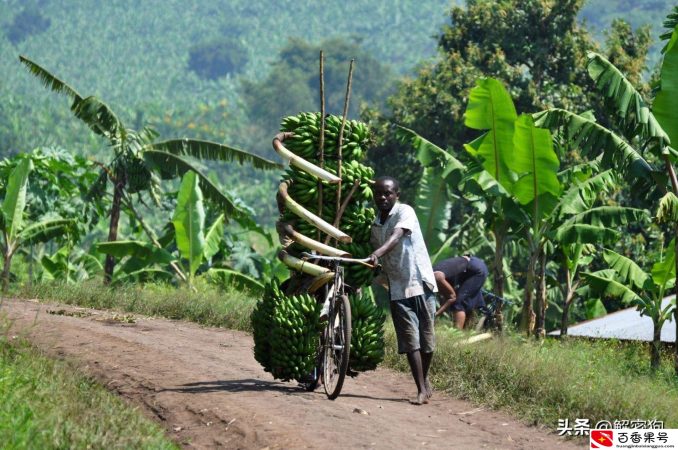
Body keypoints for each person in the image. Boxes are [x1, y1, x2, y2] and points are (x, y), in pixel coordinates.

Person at [368, 176, 437, 405]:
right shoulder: (375, 224)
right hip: (397, 288)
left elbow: (397, 236)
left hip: (420, 282)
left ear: (397, 194)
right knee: (410, 340)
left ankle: (424, 380)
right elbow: (378, 254)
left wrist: (378, 253)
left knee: (427, 341)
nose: (383, 197)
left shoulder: (405, 212)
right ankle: (420, 388)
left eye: (388, 193)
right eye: (379, 193)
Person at [433, 255, 488, 329]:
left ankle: (457, 333)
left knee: (458, 302)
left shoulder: (436, 277)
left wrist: (435, 314)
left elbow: (452, 297)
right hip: (471, 266)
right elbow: (446, 298)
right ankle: (471, 327)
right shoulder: (433, 273)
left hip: (474, 269)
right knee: (468, 299)